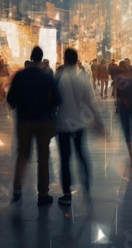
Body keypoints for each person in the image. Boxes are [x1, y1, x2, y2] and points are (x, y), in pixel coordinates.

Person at [7, 46, 61, 206]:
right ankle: (43, 194)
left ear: (31, 58)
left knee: (23, 154)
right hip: (44, 121)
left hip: (24, 121)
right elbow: (57, 100)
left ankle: (17, 188)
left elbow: (11, 100)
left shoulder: (20, 76)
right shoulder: (47, 77)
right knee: (43, 158)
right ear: (41, 58)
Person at [56, 48, 104, 205]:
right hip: (79, 123)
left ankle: (67, 194)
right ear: (77, 60)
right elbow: (91, 102)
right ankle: (86, 184)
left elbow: (53, 101)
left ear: (65, 59)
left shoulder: (60, 77)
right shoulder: (83, 78)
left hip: (63, 124)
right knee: (81, 154)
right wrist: (99, 122)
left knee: (65, 158)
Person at [114, 61, 132, 167]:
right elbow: (116, 93)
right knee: (128, 131)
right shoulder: (123, 78)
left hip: (129, 107)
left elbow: (116, 93)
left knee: (130, 131)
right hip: (127, 107)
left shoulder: (130, 78)